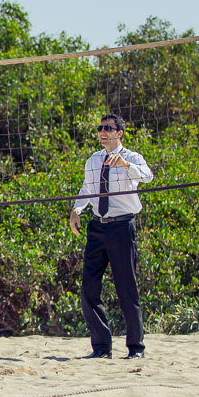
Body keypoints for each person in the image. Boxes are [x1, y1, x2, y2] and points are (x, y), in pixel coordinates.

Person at [68, 114, 154, 360]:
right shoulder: (93, 160)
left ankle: (136, 348)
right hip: (97, 228)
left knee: (127, 289)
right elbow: (87, 189)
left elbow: (148, 176)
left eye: (108, 128)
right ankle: (102, 347)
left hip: (122, 228)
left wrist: (126, 166)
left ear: (120, 133)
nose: (103, 132)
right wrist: (77, 209)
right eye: (100, 128)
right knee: (88, 289)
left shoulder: (132, 158)